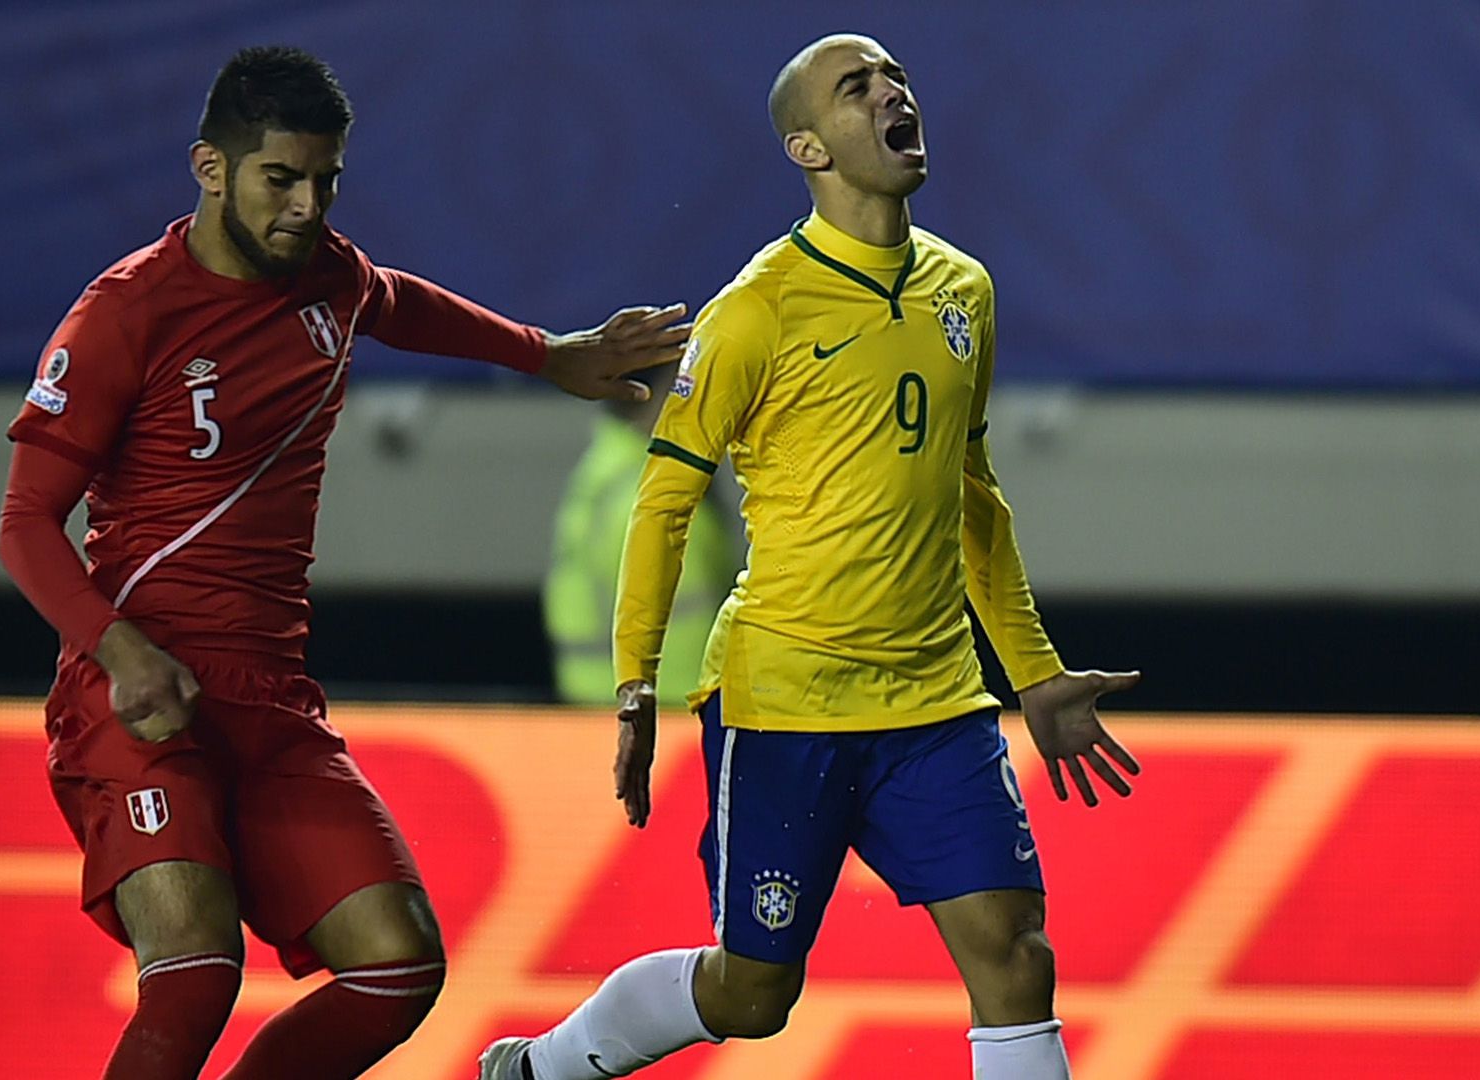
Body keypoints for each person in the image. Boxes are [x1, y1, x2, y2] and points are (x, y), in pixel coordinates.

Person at [0, 45, 689, 1080]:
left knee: (396, 967)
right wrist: (121, 651)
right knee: (195, 976)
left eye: (326, 181)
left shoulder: (330, 278)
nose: (306, 207)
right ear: (211, 167)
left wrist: (549, 354)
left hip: (271, 699)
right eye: (281, 179)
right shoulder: (126, 313)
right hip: (139, 691)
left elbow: (394, 299)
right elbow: (23, 524)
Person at [480, 34, 1140, 1080]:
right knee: (754, 995)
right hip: (788, 703)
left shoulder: (964, 290)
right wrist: (634, 683)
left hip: (935, 704)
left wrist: (1034, 672)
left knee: (1017, 959)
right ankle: (545, 1067)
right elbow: (665, 501)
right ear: (809, 148)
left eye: (896, 78)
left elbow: (972, 495)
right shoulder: (757, 311)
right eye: (855, 87)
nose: (891, 92)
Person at [543, 362, 740, 707]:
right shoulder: (653, 499)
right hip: (668, 704)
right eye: (684, 391)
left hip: (611, 702)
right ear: (649, 399)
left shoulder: (609, 470)